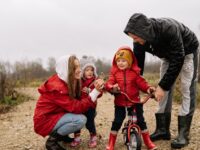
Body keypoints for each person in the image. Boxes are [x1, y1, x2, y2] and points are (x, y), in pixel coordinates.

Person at [124, 13, 199, 149]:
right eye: (132, 38)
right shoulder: (138, 40)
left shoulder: (168, 28)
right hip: (167, 56)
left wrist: (163, 86)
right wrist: (136, 86)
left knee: (186, 88)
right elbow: (138, 67)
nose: (134, 41)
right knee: (161, 92)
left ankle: (183, 134)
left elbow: (178, 57)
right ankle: (163, 130)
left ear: (145, 31)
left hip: (187, 52)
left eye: (135, 38)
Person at [33, 55, 104, 150]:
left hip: (54, 115)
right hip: (45, 121)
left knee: (89, 113)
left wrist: (96, 86)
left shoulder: (67, 80)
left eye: (79, 66)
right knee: (80, 120)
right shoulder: (58, 88)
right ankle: (52, 142)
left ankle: (62, 136)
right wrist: (95, 92)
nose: (79, 70)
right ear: (66, 69)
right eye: (75, 67)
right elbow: (77, 108)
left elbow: (77, 99)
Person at [105, 46, 157, 150]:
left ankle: (147, 141)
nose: (120, 63)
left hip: (134, 102)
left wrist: (148, 89)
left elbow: (143, 84)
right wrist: (112, 87)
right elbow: (109, 83)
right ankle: (111, 142)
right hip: (120, 102)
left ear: (129, 61)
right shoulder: (114, 74)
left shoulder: (135, 73)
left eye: (123, 60)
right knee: (117, 121)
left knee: (141, 121)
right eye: (118, 60)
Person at [70, 63, 102, 148]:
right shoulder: (79, 80)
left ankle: (93, 136)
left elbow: (100, 93)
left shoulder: (96, 81)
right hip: (80, 105)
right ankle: (77, 137)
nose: (90, 72)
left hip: (91, 106)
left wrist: (91, 90)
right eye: (87, 70)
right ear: (83, 72)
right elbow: (76, 91)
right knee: (77, 122)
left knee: (89, 122)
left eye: (92, 70)